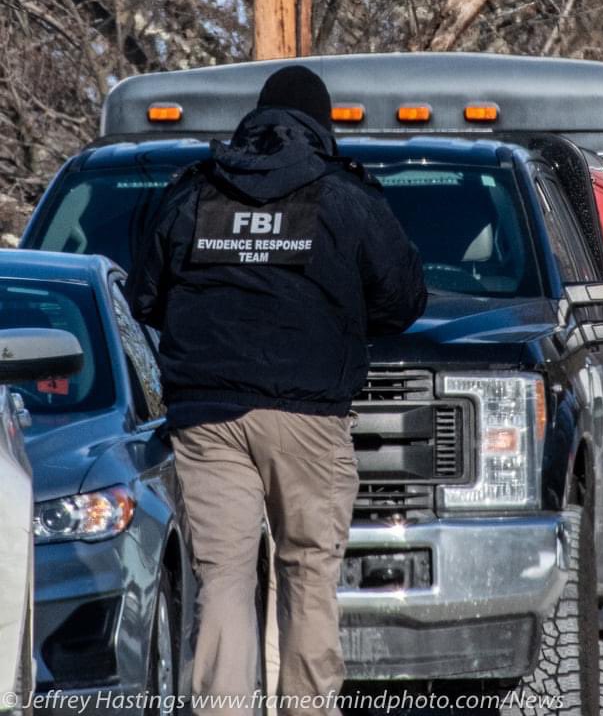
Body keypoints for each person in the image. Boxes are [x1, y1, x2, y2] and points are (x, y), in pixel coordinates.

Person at [127, 64, 427, 716]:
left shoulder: (193, 192)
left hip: (208, 414)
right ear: (320, 126)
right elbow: (404, 297)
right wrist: (340, 312)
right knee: (308, 573)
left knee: (225, 579)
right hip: (308, 414)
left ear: (255, 120)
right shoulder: (345, 198)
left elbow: (143, 295)